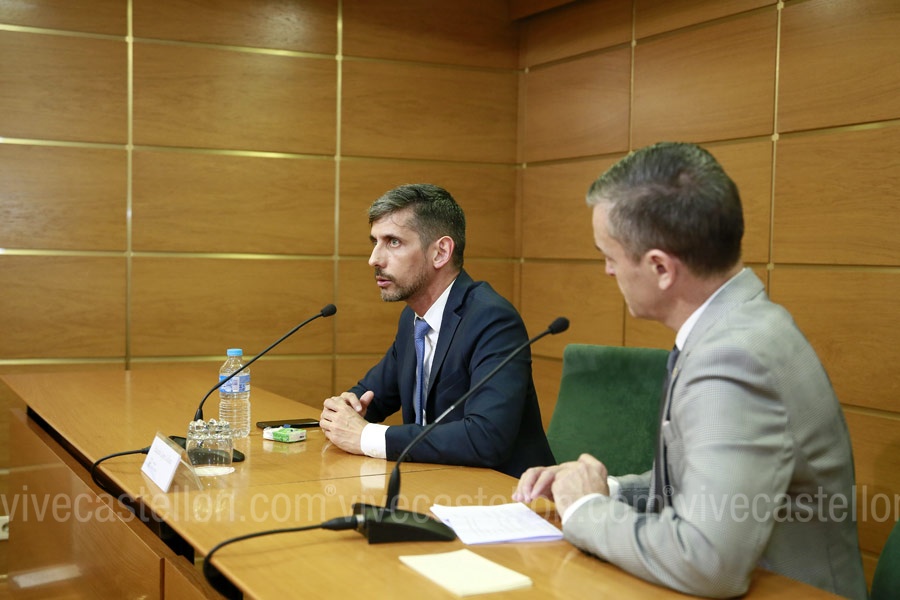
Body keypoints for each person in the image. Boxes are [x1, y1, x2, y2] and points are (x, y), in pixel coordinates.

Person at [513, 142, 866, 599]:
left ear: (660, 267)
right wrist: (605, 489)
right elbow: (702, 485)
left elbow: (706, 560)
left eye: (610, 256)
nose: (607, 271)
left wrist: (587, 510)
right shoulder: (739, 324)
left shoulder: (733, 357)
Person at [319, 183, 554, 477]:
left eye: (393, 242)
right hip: (435, 483)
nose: (374, 259)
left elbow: (486, 437)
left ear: (440, 252)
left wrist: (367, 437)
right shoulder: (413, 319)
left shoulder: (492, 320)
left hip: (506, 492)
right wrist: (343, 409)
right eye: (375, 242)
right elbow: (371, 396)